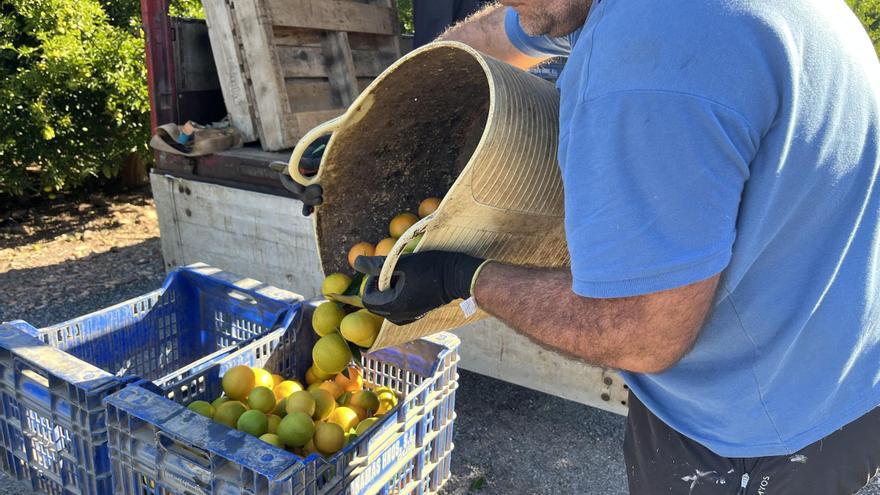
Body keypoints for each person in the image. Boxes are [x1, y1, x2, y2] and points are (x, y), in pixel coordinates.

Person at [353, 1, 880, 494]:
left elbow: (642, 333)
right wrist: (366, 126)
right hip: (841, 358)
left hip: (759, 428)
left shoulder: (647, 62)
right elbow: (497, 32)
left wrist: (464, 280)